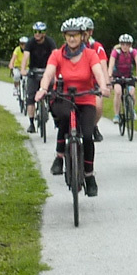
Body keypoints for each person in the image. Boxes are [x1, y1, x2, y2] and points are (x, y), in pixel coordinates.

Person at [38, 17, 110, 195]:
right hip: (63, 97)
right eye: (69, 35)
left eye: (75, 35)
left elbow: (98, 72)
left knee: (88, 135)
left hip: (85, 98)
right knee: (64, 116)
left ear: (82, 36)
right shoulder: (57, 54)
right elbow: (48, 73)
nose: (72, 39)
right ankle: (59, 156)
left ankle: (89, 176)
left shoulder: (90, 54)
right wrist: (43, 89)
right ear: (64, 37)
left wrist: (103, 87)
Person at [22, 21, 58, 133]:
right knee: (31, 97)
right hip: (34, 71)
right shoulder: (30, 42)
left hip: (47, 70)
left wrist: (56, 72)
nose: (37, 34)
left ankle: (56, 119)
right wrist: (23, 69)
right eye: (35, 31)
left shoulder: (50, 42)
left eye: (39, 32)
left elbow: (56, 55)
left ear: (44, 33)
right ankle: (31, 123)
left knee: (54, 96)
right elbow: (26, 56)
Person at [80, 18, 105, 142]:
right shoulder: (72, 46)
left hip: (93, 82)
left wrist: (105, 83)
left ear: (91, 32)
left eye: (87, 31)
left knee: (98, 107)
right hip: (77, 83)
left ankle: (93, 125)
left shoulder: (96, 46)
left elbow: (103, 64)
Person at [108, 32, 137, 125]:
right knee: (118, 92)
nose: (125, 46)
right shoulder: (116, 52)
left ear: (130, 45)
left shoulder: (133, 52)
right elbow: (111, 65)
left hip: (129, 76)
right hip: (117, 76)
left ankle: (132, 109)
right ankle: (117, 115)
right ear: (120, 44)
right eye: (123, 44)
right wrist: (110, 76)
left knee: (132, 92)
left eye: (127, 44)